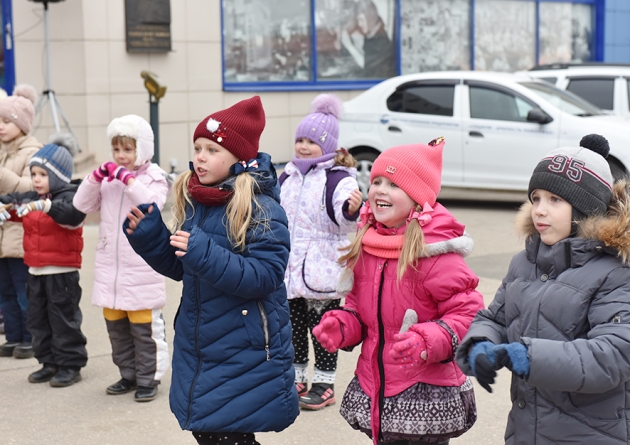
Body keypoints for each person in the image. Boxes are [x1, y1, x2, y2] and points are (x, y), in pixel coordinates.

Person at [123, 96, 299, 445]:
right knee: (207, 431)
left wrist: (203, 252)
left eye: (212, 150)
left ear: (238, 157)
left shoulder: (262, 208)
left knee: (226, 433)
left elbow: (264, 276)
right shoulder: (199, 202)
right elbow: (185, 268)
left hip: (243, 347)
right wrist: (152, 238)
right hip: (203, 343)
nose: (200, 157)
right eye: (197, 148)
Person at [456, 134, 630, 445]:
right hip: (527, 431)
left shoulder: (615, 271)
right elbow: (496, 319)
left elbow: (613, 355)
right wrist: (481, 343)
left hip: (591, 434)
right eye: (535, 198)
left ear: (585, 210)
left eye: (554, 200)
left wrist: (528, 357)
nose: (539, 209)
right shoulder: (524, 262)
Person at [313, 138, 483, 445]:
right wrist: (343, 326)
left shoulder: (435, 254)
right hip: (379, 386)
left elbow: (468, 314)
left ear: (417, 200)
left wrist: (428, 339)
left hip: (424, 391)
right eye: (377, 181)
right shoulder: (368, 247)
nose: (380, 190)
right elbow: (358, 308)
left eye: (393, 184)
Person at [73, 114, 169, 402]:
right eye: (116, 149)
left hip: (141, 266)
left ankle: (148, 378)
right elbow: (81, 204)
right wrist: (94, 178)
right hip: (110, 269)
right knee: (116, 328)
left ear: (142, 148)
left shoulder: (154, 177)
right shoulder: (109, 180)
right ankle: (128, 374)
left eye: (128, 149)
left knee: (144, 328)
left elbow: (152, 205)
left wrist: (128, 180)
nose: (120, 155)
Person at [280, 93, 362, 410]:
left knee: (323, 331)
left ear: (327, 145)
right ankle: (297, 378)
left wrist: (350, 209)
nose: (303, 146)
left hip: (322, 268)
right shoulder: (288, 175)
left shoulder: (338, 179)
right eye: (300, 140)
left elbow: (345, 218)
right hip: (292, 268)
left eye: (311, 142)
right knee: (294, 329)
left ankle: (325, 384)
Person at [0, 134, 87, 387]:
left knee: (63, 320)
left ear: (58, 175)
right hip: (35, 271)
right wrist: (5, 207)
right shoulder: (35, 197)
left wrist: (45, 207)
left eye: (42, 174)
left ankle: (70, 365)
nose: (36, 179)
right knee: (38, 319)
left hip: (61, 273)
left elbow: (71, 216)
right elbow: (13, 201)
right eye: (33, 174)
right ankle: (49, 362)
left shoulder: (71, 197)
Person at [0, 84, 43, 359]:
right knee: (4, 291)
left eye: (6, 121)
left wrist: (3, 176)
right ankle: (13, 336)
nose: (1, 126)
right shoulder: (1, 150)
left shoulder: (33, 151)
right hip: (2, 237)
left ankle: (30, 338)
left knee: (23, 291)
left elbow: (32, 187)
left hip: (19, 235)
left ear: (22, 124)